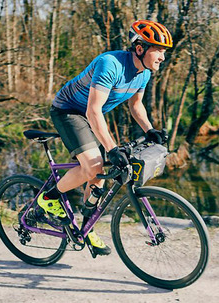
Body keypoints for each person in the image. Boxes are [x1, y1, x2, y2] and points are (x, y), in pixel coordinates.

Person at [37, 20, 173, 255]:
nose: (162, 56)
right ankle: (49, 198)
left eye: (164, 52)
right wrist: (111, 147)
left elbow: (136, 105)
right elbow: (93, 111)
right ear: (139, 48)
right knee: (94, 165)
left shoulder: (144, 74)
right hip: (69, 111)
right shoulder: (110, 64)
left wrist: (150, 130)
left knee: (101, 172)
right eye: (158, 50)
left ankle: (86, 227)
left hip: (90, 113)